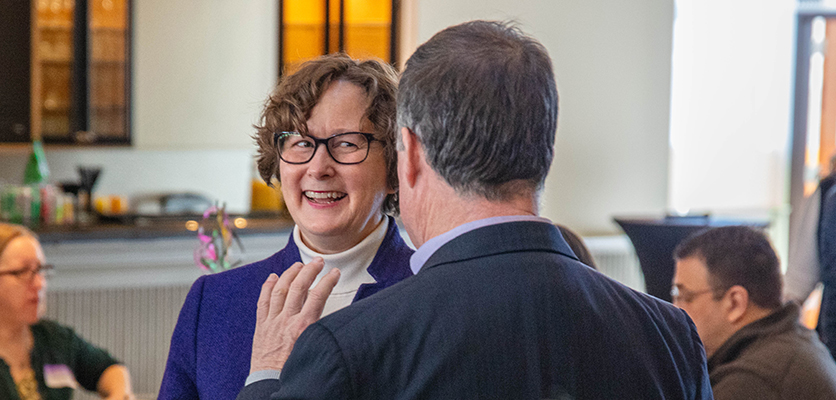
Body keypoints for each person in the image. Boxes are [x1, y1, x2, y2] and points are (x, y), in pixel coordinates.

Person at [237, 20, 711, 399]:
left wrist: (266, 378)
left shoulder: (351, 347)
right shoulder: (670, 336)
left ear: (410, 151)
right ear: (543, 149)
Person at [158, 53, 414, 400]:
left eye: (347, 143)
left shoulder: (434, 295)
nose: (318, 167)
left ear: (396, 168)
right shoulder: (215, 302)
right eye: (301, 143)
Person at [673, 226, 836, 399]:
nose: (676, 309)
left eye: (685, 296)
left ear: (735, 303)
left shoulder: (754, 381)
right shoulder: (792, 341)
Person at [0, 222, 134, 400]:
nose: (40, 284)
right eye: (23, 271)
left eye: (40, 270)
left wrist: (119, 395)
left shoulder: (52, 338)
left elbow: (110, 369)